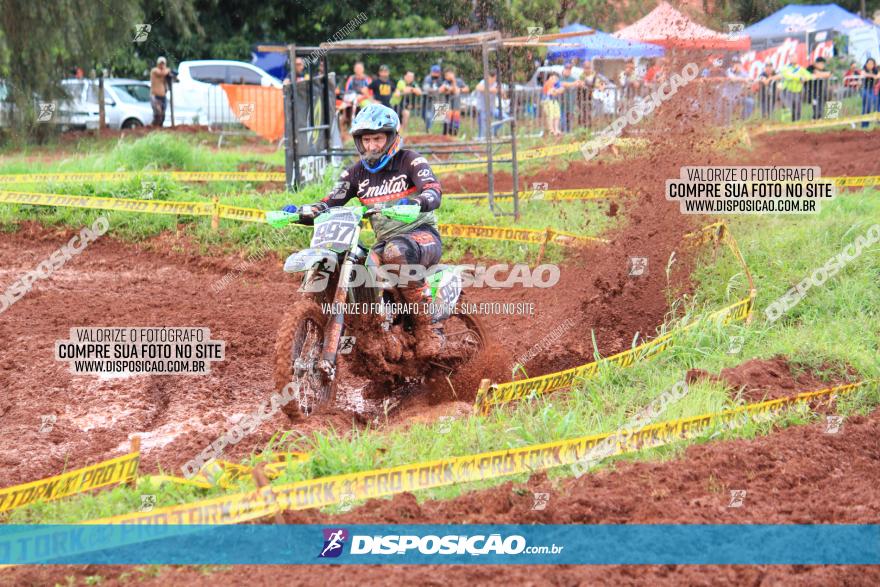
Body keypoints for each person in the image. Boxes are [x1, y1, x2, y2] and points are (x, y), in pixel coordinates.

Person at [281, 104, 446, 358]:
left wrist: (417, 202)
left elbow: (433, 190)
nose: (372, 146)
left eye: (378, 138)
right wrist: (302, 211)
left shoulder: (410, 160)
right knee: (362, 264)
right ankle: (377, 330)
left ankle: (427, 329)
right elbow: (329, 201)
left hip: (420, 235)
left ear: (391, 138)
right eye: (366, 140)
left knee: (395, 251)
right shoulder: (356, 172)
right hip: (386, 242)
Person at [341, 62, 373, 131]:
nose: (358, 70)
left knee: (368, 106)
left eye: (360, 68)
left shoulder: (367, 79)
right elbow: (347, 90)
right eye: (357, 68)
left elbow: (370, 93)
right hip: (351, 98)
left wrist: (361, 98)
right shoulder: (351, 78)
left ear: (363, 69)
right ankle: (343, 129)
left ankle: (366, 127)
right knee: (342, 107)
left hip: (363, 98)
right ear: (354, 70)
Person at [438, 68, 469, 136]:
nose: (447, 77)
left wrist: (459, 89)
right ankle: (445, 135)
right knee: (447, 122)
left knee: (455, 121)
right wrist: (452, 88)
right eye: (445, 75)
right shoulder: (445, 82)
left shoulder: (459, 81)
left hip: (456, 105)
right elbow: (440, 90)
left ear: (453, 74)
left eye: (448, 75)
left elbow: (467, 89)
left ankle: (454, 135)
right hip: (447, 105)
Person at [474, 69, 501, 139]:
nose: (495, 79)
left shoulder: (496, 84)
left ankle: (492, 132)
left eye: (495, 77)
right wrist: (491, 90)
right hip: (482, 109)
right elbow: (478, 87)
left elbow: (502, 93)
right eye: (494, 77)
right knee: (482, 129)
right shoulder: (483, 82)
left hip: (492, 108)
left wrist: (501, 92)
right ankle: (481, 140)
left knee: (503, 118)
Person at [421, 65, 444, 132]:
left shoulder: (440, 79)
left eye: (438, 72)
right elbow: (427, 89)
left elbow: (444, 88)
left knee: (435, 118)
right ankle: (428, 129)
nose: (437, 73)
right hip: (427, 101)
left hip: (437, 101)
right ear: (431, 72)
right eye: (435, 72)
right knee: (425, 116)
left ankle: (430, 130)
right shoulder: (428, 78)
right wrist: (438, 90)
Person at [559, 62, 580, 133]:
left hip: (571, 104)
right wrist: (573, 84)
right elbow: (562, 84)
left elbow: (579, 83)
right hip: (561, 104)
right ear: (564, 69)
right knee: (562, 121)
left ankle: (569, 133)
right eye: (567, 69)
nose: (568, 70)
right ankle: (562, 133)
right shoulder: (560, 78)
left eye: (569, 69)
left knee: (570, 121)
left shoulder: (573, 78)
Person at [149, 57, 171, 127]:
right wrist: (168, 70)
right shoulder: (155, 71)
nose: (162, 65)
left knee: (163, 115)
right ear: (158, 64)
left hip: (163, 96)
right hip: (155, 96)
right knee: (158, 114)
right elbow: (162, 73)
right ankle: (152, 127)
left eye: (163, 64)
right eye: (161, 64)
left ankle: (159, 128)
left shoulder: (165, 73)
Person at [541, 72, 563, 137]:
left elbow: (561, 88)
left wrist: (557, 90)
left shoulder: (555, 83)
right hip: (547, 101)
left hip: (553, 100)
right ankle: (551, 129)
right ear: (550, 77)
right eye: (553, 78)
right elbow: (551, 92)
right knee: (551, 114)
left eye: (556, 79)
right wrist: (557, 90)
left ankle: (556, 129)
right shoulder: (548, 83)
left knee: (557, 114)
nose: (555, 80)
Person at [859, 58, 878, 128]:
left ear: (874, 64)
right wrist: (873, 76)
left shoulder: (875, 70)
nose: (870, 65)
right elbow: (863, 74)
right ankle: (863, 124)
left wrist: (872, 76)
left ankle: (867, 124)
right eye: (868, 63)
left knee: (869, 107)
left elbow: (877, 77)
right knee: (865, 107)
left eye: (871, 64)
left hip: (872, 89)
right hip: (865, 89)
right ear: (866, 64)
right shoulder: (864, 69)